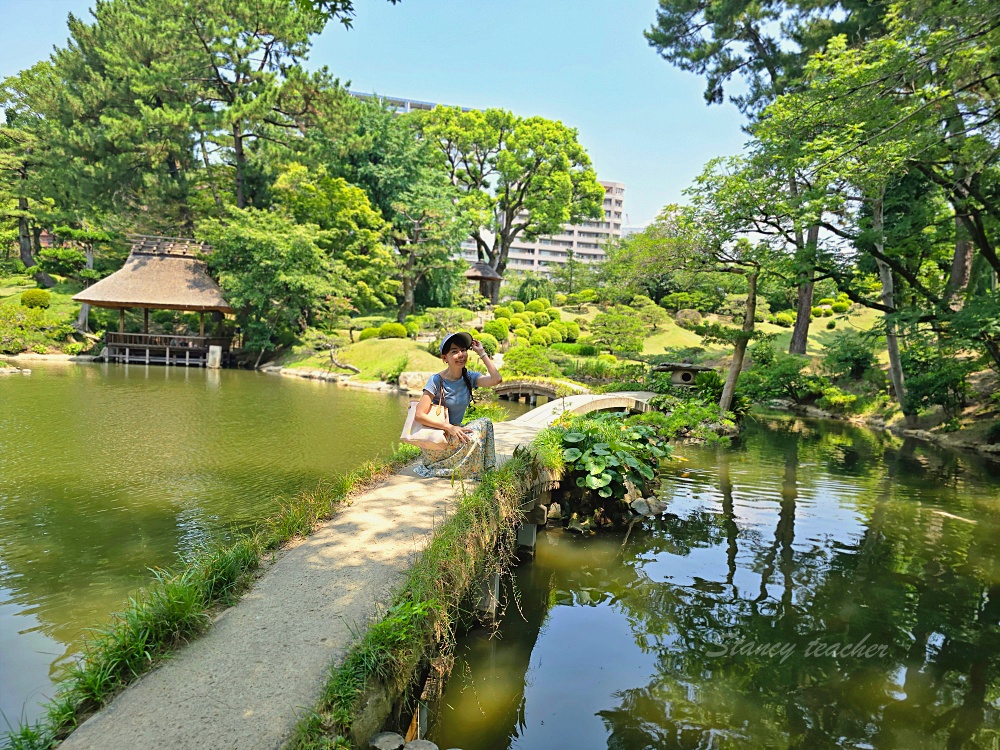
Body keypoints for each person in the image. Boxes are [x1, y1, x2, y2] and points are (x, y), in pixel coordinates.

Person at [412, 331, 503, 479]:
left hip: (455, 436)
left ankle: (486, 469)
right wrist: (449, 427)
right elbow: (419, 415)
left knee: (486, 423)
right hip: (437, 441)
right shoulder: (436, 381)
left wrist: (482, 353)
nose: (461, 355)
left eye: (463, 350)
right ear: (444, 358)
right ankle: (472, 472)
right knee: (474, 437)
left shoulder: (469, 377)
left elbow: (496, 379)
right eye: (455, 351)